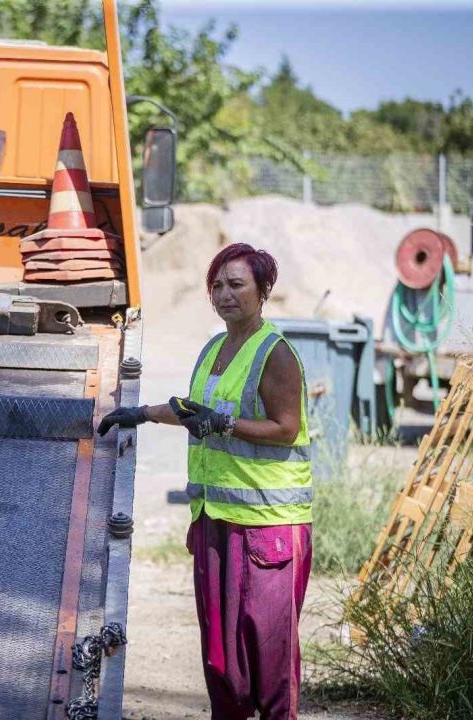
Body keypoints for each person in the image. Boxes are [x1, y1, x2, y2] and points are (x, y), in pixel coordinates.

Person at [99, 243, 313, 720]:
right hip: (215, 521)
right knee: (222, 660)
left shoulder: (274, 354)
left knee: (270, 659)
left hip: (269, 527)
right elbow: (196, 412)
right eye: (216, 285)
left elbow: (286, 428)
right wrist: (144, 414)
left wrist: (225, 425)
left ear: (263, 290)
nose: (224, 294)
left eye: (236, 284)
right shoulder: (214, 348)